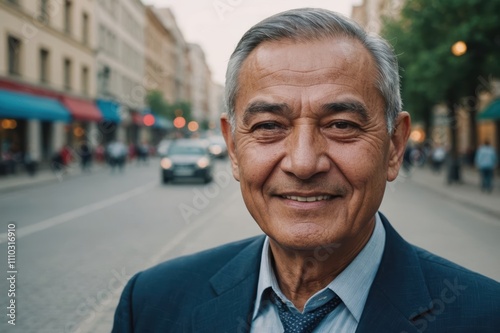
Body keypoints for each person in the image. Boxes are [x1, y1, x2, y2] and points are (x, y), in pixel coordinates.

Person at [112, 8, 500, 333]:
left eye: (342, 125)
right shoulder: (150, 305)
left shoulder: (485, 316)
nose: (302, 163)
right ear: (233, 147)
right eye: (268, 126)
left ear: (394, 147)